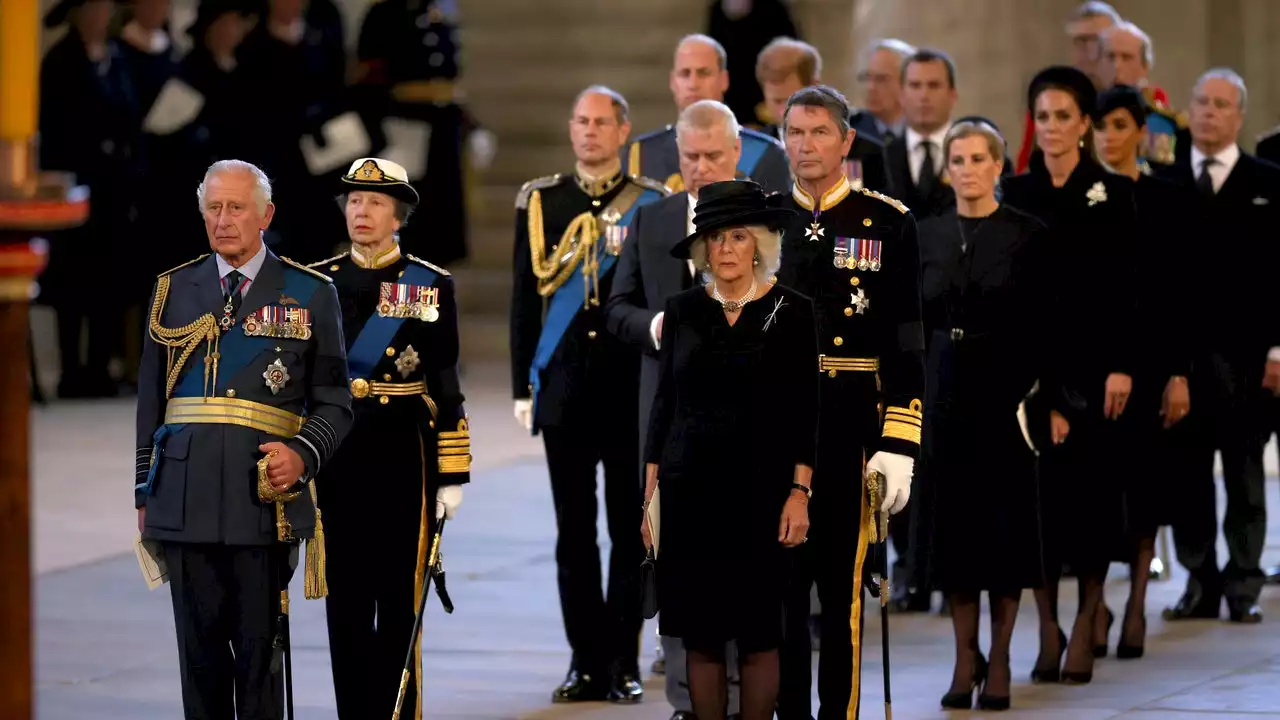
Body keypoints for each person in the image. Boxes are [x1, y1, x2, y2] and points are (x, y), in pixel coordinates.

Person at [135, 159, 353, 718]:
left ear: (266, 216)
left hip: (262, 502)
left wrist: (302, 455)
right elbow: (150, 403)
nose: (223, 220)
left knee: (261, 657)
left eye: (236, 208)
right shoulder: (173, 288)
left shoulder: (309, 292)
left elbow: (334, 402)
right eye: (213, 207)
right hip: (183, 495)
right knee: (199, 659)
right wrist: (144, 490)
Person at [509, 86, 669, 703]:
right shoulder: (542, 201)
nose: (590, 132)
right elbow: (527, 300)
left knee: (630, 534)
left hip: (630, 389)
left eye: (602, 122)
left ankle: (621, 660)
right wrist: (524, 382)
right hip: (566, 389)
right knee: (572, 532)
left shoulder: (651, 204)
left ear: (624, 132)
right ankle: (582, 661)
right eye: (581, 121)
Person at [642, 179, 816, 720]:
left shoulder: (792, 311)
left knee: (761, 635)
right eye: (714, 239)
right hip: (690, 490)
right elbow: (663, 404)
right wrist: (650, 497)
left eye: (737, 237)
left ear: (760, 245)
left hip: (763, 494)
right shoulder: (683, 310)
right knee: (702, 635)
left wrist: (799, 492)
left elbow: (805, 411)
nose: (725, 250)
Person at [775, 84, 922, 720]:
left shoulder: (886, 221)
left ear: (846, 142)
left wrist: (900, 440)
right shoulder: (764, 218)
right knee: (780, 595)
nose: (805, 147)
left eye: (818, 133)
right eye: (795, 133)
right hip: (777, 424)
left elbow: (908, 338)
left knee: (842, 594)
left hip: (851, 424)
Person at [309, 157, 470, 718]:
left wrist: (454, 471)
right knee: (346, 605)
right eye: (354, 200)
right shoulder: (315, 281)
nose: (362, 211)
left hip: (405, 458)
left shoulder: (429, 283)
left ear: (398, 216)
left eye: (375, 203)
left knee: (400, 601)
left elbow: (447, 383)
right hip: (338, 458)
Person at [604, 98, 746, 720]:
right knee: (672, 556)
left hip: (743, 420)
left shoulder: (761, 223)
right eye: (691, 156)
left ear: (737, 153)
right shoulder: (653, 219)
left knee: (740, 556)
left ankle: (742, 689)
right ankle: (688, 697)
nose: (702, 167)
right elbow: (616, 309)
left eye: (714, 155)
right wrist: (656, 326)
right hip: (665, 414)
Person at [1002, 66, 1140, 684]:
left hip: (1095, 372)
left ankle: (1087, 618)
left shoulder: (1112, 194)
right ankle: (1049, 626)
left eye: (1064, 116)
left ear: (1085, 124)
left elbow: (1129, 295)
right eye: (1043, 116)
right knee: (1040, 510)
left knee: (1091, 504)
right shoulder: (1016, 192)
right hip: (1034, 374)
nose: (1052, 128)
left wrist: (1121, 366)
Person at [919, 119, 1048, 711]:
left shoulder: (1028, 235)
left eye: (978, 158)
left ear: (1000, 166)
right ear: (947, 169)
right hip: (943, 395)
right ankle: (963, 655)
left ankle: (998, 659)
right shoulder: (925, 234)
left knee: (1004, 534)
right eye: (958, 159)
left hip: (1005, 397)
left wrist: (1044, 399)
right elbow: (910, 320)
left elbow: (1049, 326)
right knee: (956, 536)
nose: (967, 169)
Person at [1159, 69, 1280, 624]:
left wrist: (1278, 351)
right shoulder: (1163, 184)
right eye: (1201, 102)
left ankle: (1244, 586)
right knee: (1187, 476)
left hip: (1250, 359)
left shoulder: (1269, 182)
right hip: (1183, 361)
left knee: (1245, 474)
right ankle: (1199, 582)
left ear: (1239, 115)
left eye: (1221, 104)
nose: (1209, 112)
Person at [1090, 85, 1196, 657]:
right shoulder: (1082, 191)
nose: (1110, 134)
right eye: (1102, 124)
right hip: (1091, 365)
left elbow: (1178, 292)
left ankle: (1134, 604)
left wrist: (1178, 373)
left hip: (1153, 359)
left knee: (1146, 485)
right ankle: (1097, 603)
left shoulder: (1165, 195)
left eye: (1121, 124)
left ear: (1140, 130)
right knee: (1096, 491)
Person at [40, 0, 142, 398]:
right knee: (73, 283)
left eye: (104, 9)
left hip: (115, 188)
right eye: (92, 9)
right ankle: (71, 370)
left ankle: (100, 366)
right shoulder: (60, 60)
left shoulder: (117, 57)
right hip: (79, 187)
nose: (99, 17)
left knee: (108, 281)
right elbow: (56, 128)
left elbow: (131, 117)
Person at [353, 0, 492, 267]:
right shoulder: (383, 13)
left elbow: (446, 82)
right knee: (406, 227)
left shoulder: (441, 11)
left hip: (443, 130)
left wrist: (470, 126)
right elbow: (368, 78)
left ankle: (434, 299)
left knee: (441, 229)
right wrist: (379, 133)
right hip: (402, 127)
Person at [624, 34, 791, 195]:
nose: (693, 83)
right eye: (685, 73)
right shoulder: (640, 155)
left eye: (703, 73)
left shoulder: (766, 154)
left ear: (724, 80)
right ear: (673, 82)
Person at [755, 37, 888, 193]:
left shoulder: (864, 152)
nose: (782, 113)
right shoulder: (753, 151)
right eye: (776, 101)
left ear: (814, 87)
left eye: (790, 101)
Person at [1014, 2, 1120, 173]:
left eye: (1097, 41)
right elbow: (1026, 166)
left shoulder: (1138, 102)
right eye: (1081, 41)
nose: (1089, 52)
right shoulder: (1049, 103)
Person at [1098, 21, 1188, 167]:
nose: (1117, 66)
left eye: (1126, 58)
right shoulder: (1083, 118)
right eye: (1110, 57)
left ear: (1145, 66)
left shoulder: (1162, 124)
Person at [852, 39, 914, 142]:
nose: (870, 87)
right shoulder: (851, 132)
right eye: (868, 77)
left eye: (881, 79)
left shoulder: (923, 132)